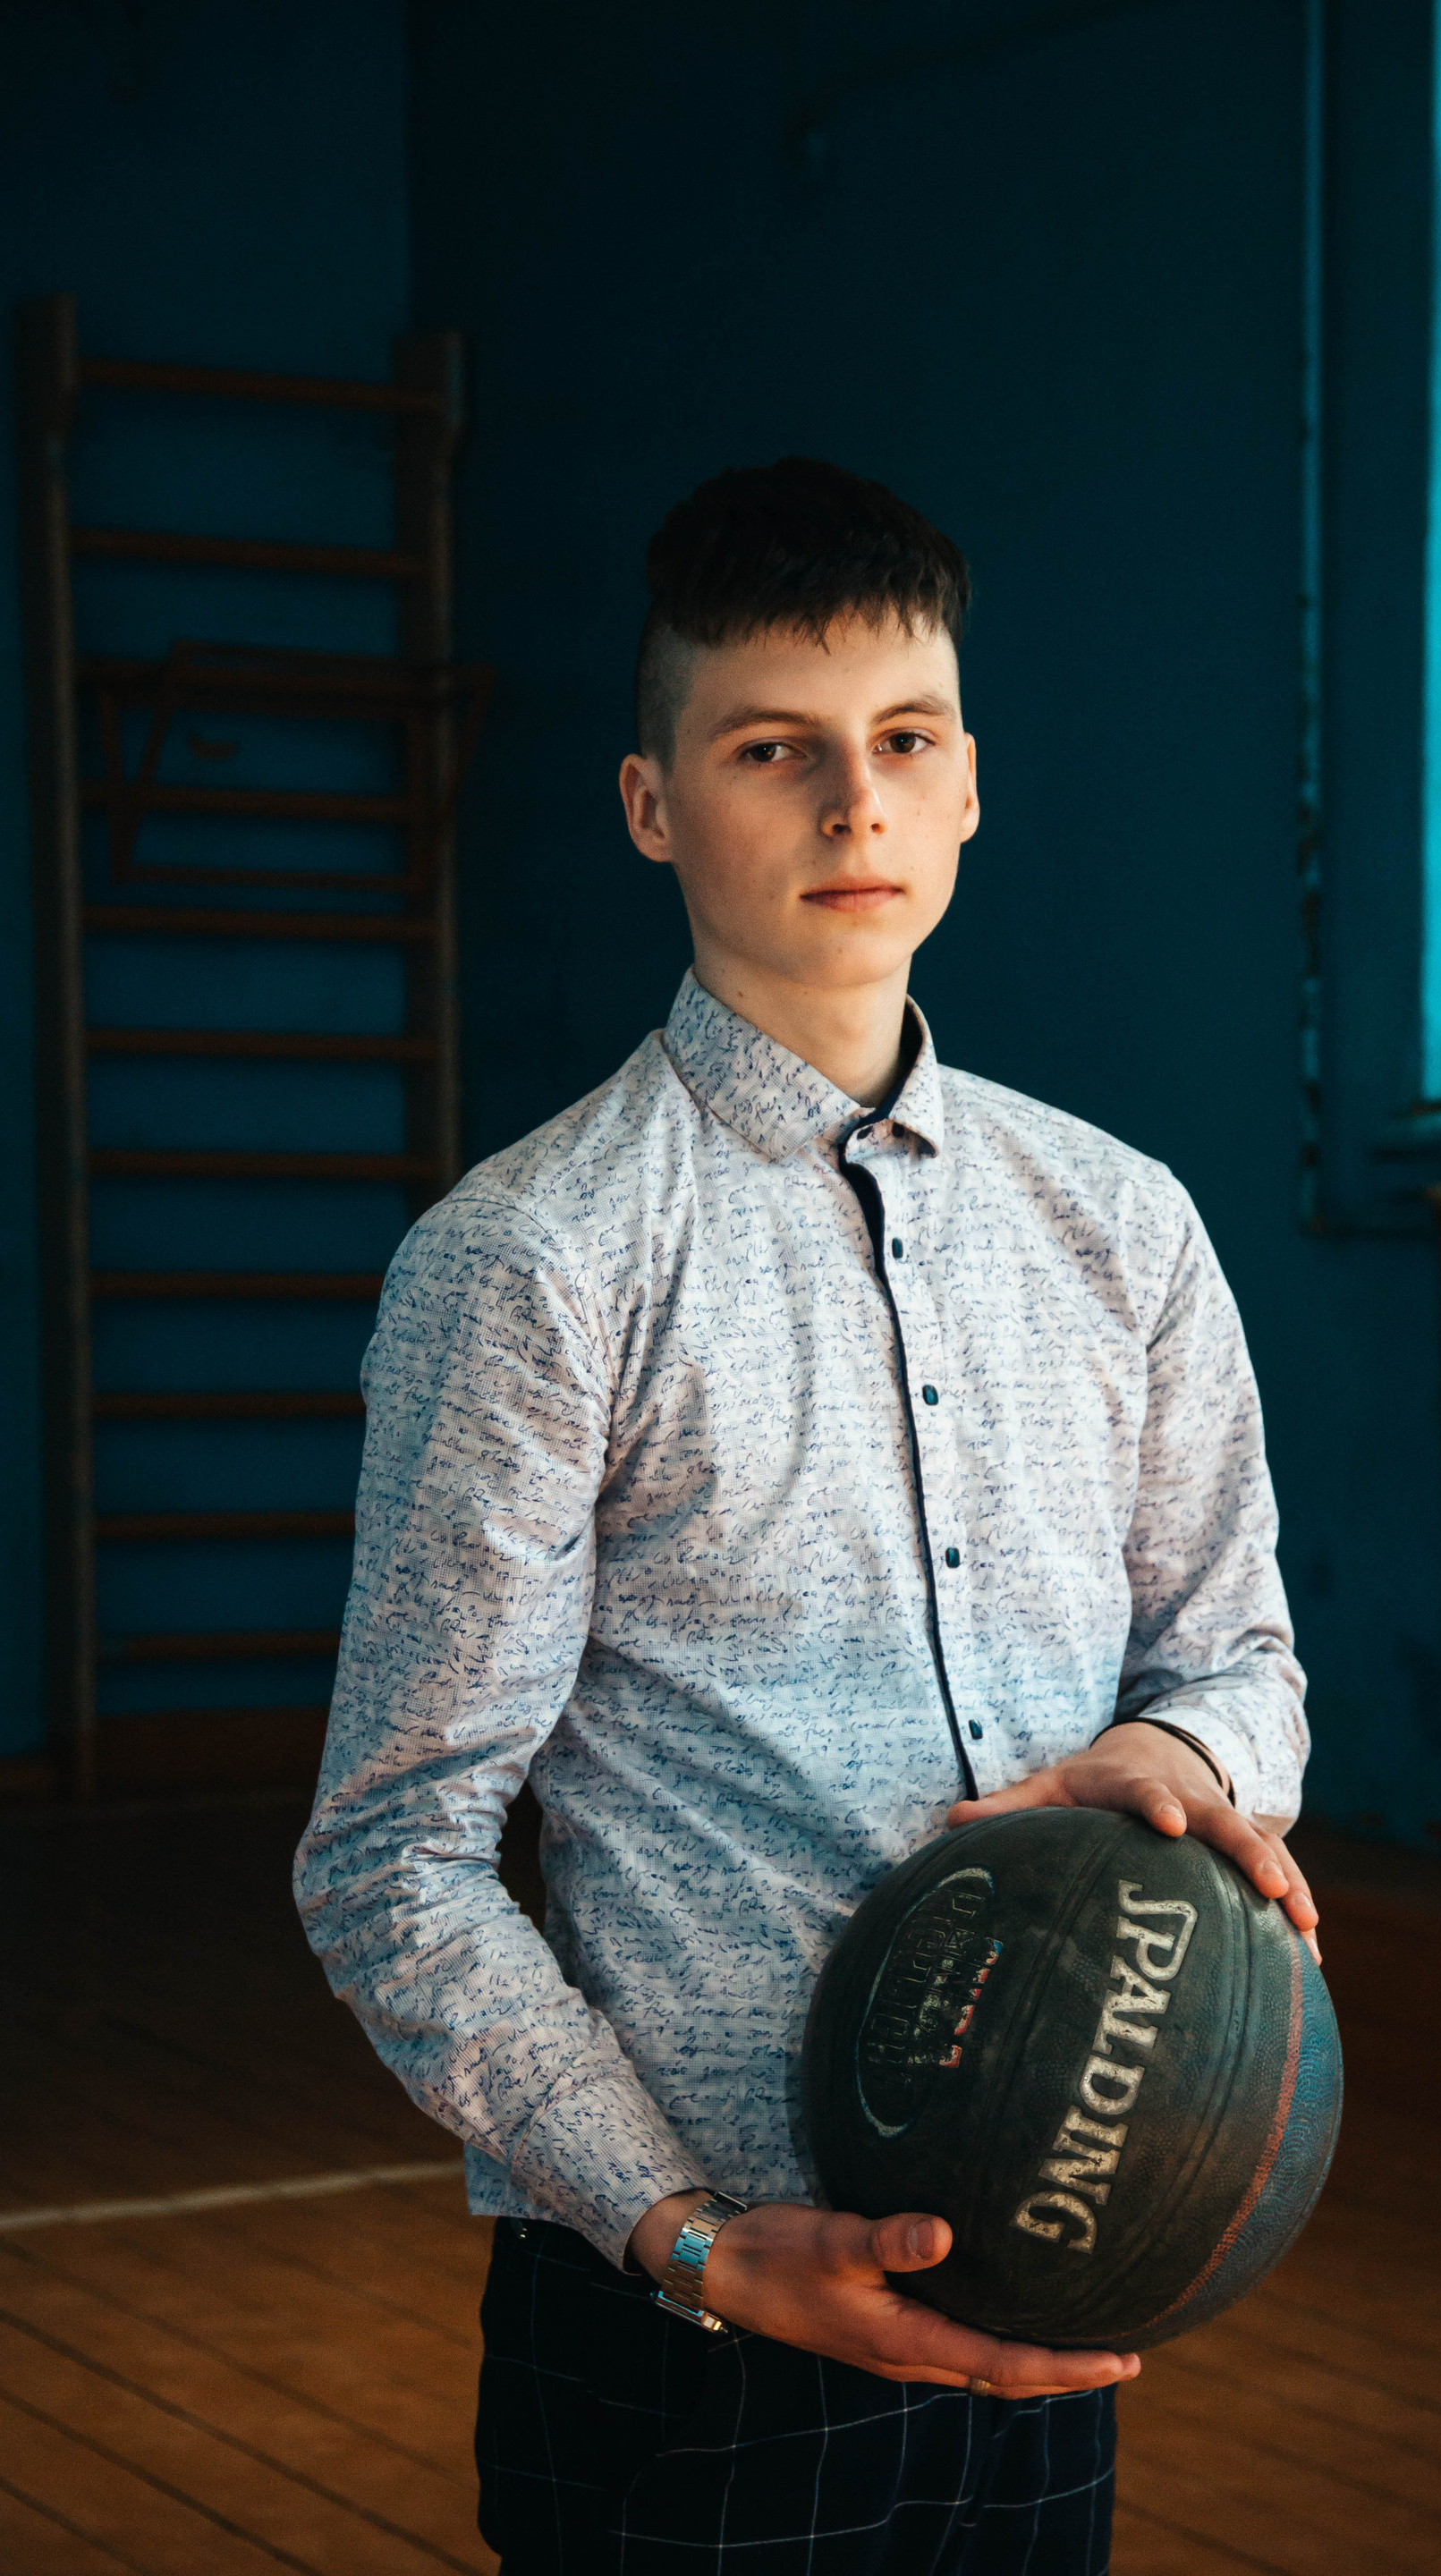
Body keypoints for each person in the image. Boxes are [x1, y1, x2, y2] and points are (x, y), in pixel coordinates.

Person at [293, 455, 1314, 2574]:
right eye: (775, 750)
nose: (857, 805)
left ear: (968, 785)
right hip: (698, 2332)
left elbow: (1240, 1659)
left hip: (1057, 2280)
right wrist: (686, 2237)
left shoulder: (1123, 1225)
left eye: (905, 741)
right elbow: (393, 1856)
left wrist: (1174, 1754)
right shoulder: (533, 1263)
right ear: (654, 805)